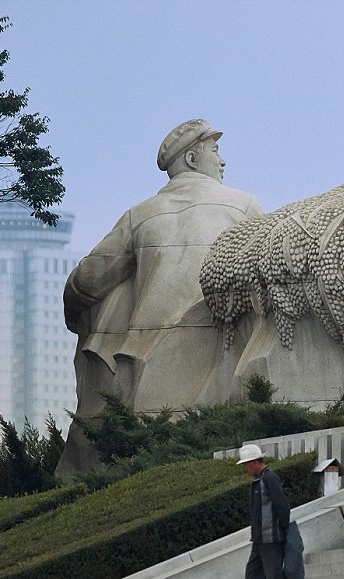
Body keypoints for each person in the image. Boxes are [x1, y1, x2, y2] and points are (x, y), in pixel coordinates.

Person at [57, 119, 263, 478]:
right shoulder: (243, 206)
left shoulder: (140, 215)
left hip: (144, 359)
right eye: (215, 150)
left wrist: (83, 314)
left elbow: (87, 282)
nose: (223, 161)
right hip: (222, 353)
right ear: (194, 159)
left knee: (117, 292)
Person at [237, 443, 297, 579]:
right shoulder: (259, 480)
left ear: (256, 462)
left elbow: (282, 505)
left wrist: (283, 530)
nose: (246, 469)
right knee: (252, 575)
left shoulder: (269, 478)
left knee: (273, 575)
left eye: (247, 465)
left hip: (271, 537)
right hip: (259, 538)